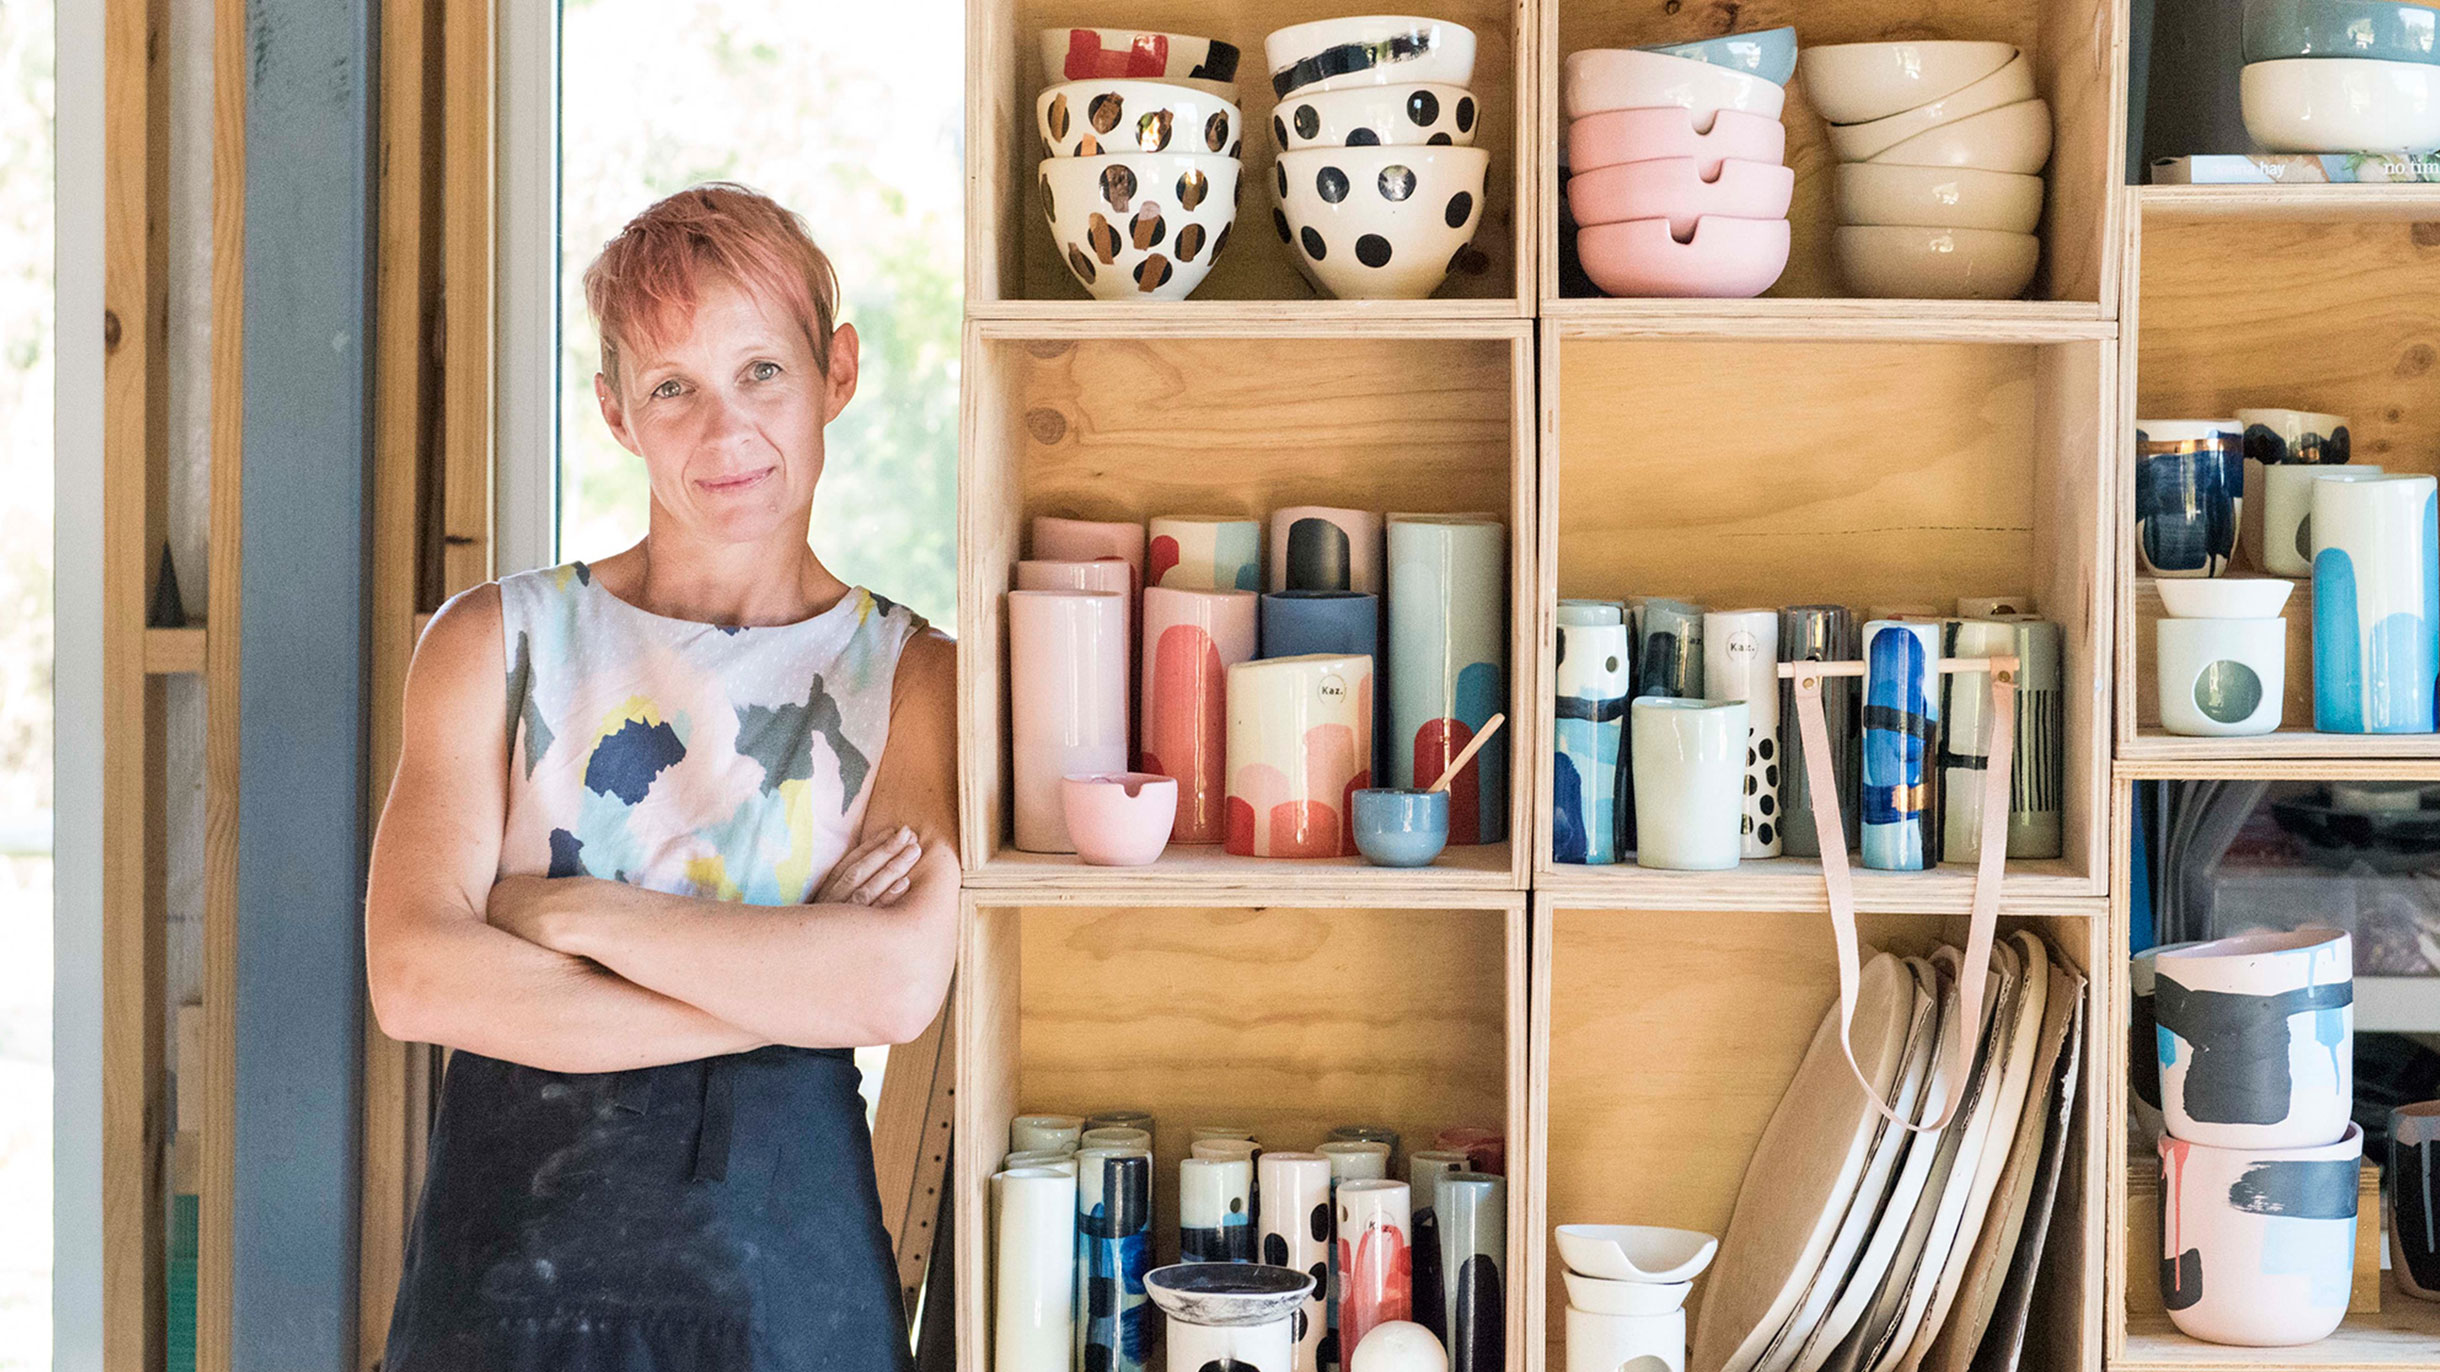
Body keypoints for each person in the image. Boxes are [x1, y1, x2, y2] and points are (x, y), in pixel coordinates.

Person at [364, 182, 956, 1371]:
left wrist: (568, 915)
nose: (725, 432)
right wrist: (787, 983)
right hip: (503, 1294)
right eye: (673, 388)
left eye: (761, 372)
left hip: (788, 1303)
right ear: (616, 413)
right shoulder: (491, 644)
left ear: (837, 372)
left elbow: (891, 985)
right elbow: (417, 978)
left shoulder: (914, 678)